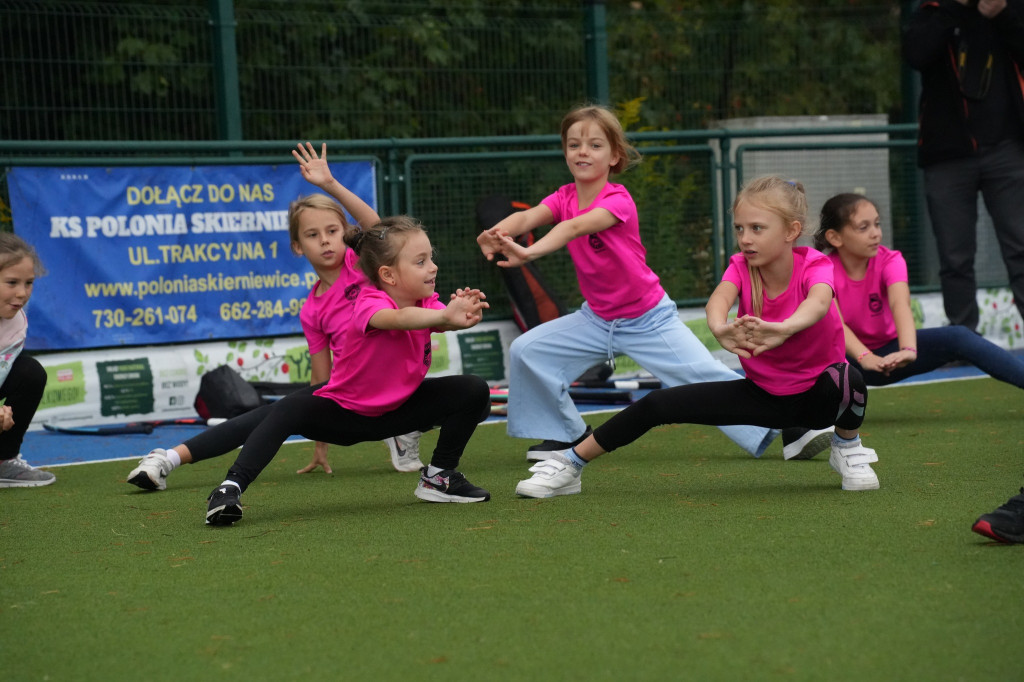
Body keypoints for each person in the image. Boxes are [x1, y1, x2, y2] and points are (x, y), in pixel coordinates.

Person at [477, 104, 831, 464]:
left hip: (648, 318)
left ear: (615, 155)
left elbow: (574, 227)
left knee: (705, 376)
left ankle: (795, 427)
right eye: (574, 144)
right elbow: (527, 215)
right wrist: (497, 232)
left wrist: (528, 252)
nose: (583, 151)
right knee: (527, 350)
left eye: (595, 145)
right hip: (596, 319)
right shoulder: (563, 196)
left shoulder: (618, 200)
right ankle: (568, 433)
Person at [514, 176, 881, 498]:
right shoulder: (741, 265)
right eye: (740, 228)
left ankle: (846, 447)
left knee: (850, 379)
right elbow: (719, 298)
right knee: (657, 405)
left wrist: (783, 329)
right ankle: (571, 464)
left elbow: (818, 303)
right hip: (762, 397)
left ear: (791, 231)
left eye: (757, 228)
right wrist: (720, 329)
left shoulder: (815, 264)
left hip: (817, 399)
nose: (745, 239)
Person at [127, 143, 423, 492]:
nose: (325, 241)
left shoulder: (361, 268)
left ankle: (402, 430)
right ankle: (168, 458)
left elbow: (378, 229)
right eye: (312, 235)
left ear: (345, 235)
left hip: (394, 385)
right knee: (270, 414)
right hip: (351, 398)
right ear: (297, 246)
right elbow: (321, 379)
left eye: (332, 231)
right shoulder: (312, 309)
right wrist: (320, 439)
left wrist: (330, 184)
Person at [205, 215, 492, 525]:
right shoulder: (369, 302)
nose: (433, 267)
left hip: (400, 412)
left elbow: (441, 317)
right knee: (288, 409)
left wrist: (461, 312)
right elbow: (395, 319)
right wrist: (443, 318)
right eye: (420, 262)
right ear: (388, 275)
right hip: (345, 416)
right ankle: (229, 488)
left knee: (474, 391)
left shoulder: (427, 304)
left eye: (430, 258)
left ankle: (439, 478)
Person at [814, 192, 1024, 388]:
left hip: (890, 354)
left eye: (877, 224)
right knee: (809, 351)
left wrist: (907, 350)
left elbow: (900, 304)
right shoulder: (822, 269)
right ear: (835, 238)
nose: (876, 234)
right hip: (846, 359)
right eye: (863, 227)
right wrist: (864, 357)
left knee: (958, 336)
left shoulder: (891, 260)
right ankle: (798, 420)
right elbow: (836, 324)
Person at [903, 0, 1024, 330]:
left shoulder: (1010, 9)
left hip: (1008, 149)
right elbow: (915, 53)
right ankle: (965, 341)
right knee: (954, 258)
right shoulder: (932, 12)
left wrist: (1003, 16)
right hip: (947, 156)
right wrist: (953, 9)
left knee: (1020, 248)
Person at [0, 234, 53, 488]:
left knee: (29, 372)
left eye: (29, 283)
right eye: (11, 282)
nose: (22, 293)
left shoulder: (16, 322)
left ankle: (4, 460)